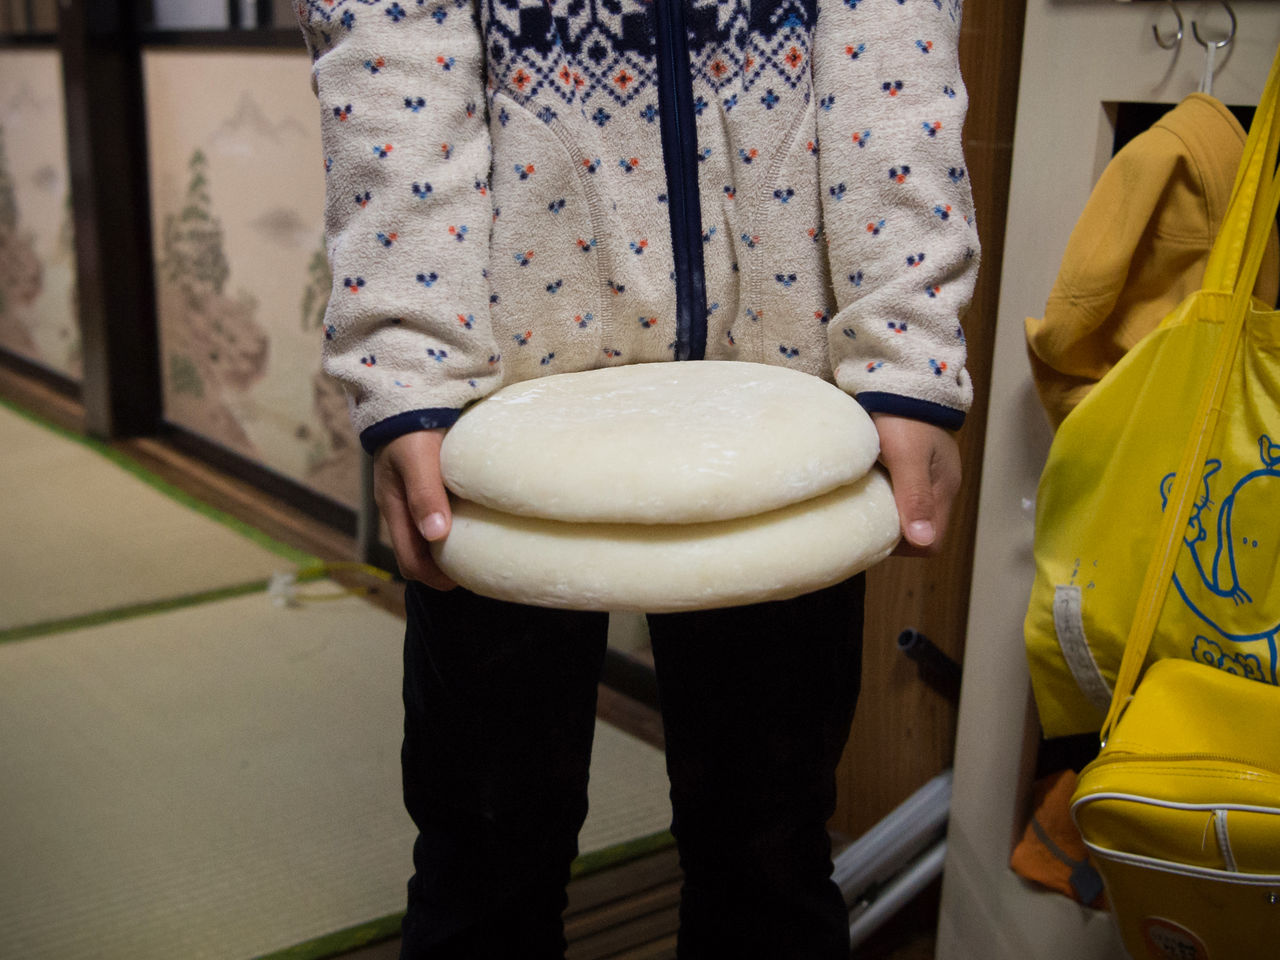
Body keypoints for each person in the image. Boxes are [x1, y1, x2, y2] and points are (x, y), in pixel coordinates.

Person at [297, 1, 978, 957]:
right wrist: (406, 363)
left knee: (772, 854)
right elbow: (392, 42)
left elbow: (891, 35)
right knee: (485, 856)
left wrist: (908, 339)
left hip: (776, 401)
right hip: (498, 405)